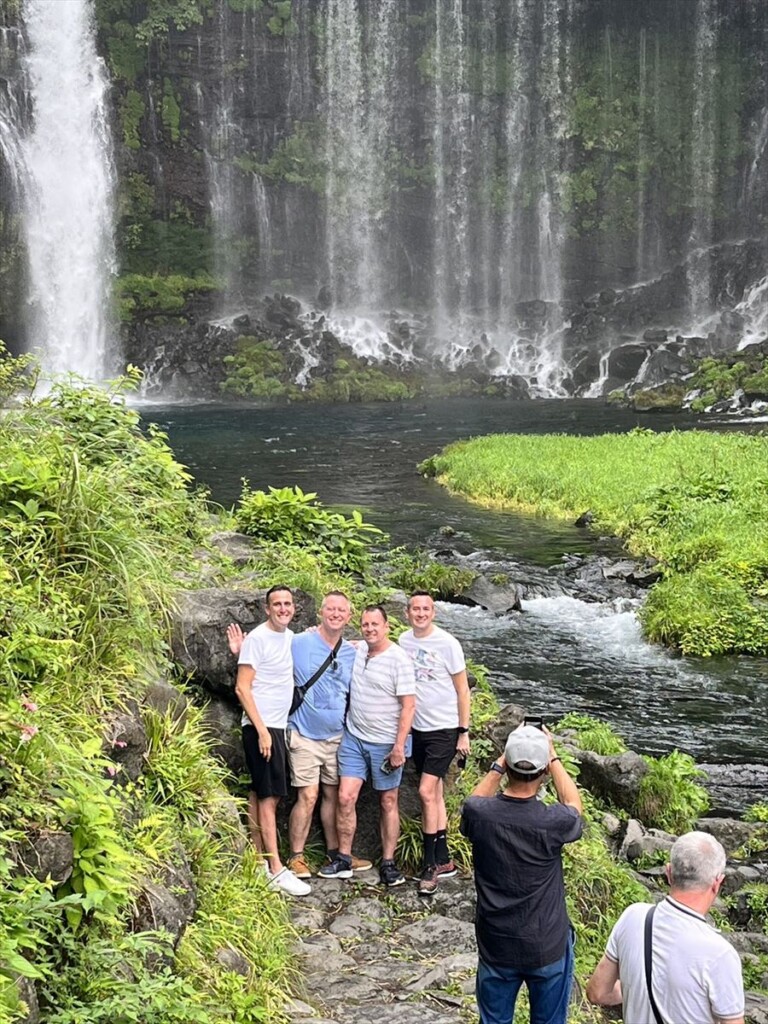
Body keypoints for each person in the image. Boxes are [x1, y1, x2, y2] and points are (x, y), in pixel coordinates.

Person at [228, 592, 373, 879]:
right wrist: (242, 651)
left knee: (333, 793)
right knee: (307, 794)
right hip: (300, 732)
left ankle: (337, 854)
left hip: (337, 735)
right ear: (320, 611)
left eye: (341, 610)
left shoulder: (354, 650)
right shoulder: (300, 641)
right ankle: (294, 857)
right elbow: (260, 659)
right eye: (330, 608)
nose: (335, 614)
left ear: (349, 614)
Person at [460, 723, 583, 1024]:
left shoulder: (480, 815)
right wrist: (553, 757)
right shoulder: (552, 821)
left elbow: (473, 802)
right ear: (542, 774)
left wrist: (500, 763)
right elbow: (574, 805)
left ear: (507, 765)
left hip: (497, 943)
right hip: (546, 943)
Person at [586, 831, 745, 1024]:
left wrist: (635, 986)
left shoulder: (633, 916)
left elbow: (597, 992)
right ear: (717, 882)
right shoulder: (720, 954)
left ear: (668, 872)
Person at [319, 604, 416, 887]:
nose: (370, 629)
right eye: (365, 624)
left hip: (386, 743)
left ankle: (388, 863)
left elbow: (409, 707)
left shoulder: (399, 659)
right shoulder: (358, 649)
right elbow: (333, 639)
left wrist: (399, 747)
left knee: (388, 801)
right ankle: (343, 859)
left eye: (375, 624)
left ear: (387, 627)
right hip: (354, 738)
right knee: (345, 797)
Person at [233, 584, 310, 896]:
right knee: (271, 797)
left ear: (293, 608)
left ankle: (258, 860)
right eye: (276, 604)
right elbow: (242, 688)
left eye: (287, 604)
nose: (282, 608)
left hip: (276, 725)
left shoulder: (290, 638)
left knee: (258, 792)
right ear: (267, 609)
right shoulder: (258, 638)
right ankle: (277, 868)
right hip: (262, 727)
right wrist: (262, 730)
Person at [398, 591, 470, 896]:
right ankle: (444, 859)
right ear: (407, 613)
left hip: (444, 728)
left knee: (426, 791)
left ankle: (429, 865)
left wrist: (463, 731)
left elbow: (463, 689)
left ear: (434, 612)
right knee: (436, 791)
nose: (420, 613)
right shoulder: (403, 640)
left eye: (426, 609)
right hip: (418, 729)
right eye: (415, 609)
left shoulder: (448, 644)